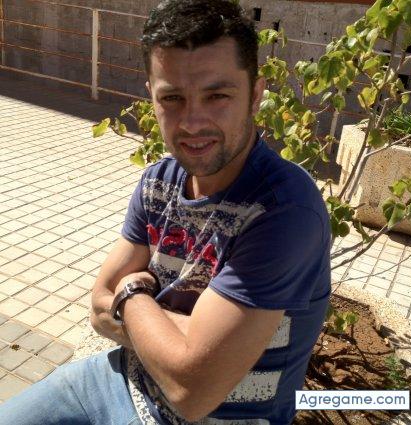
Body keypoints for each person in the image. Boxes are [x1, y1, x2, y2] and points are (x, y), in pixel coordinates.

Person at [0, 1, 330, 424]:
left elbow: (192, 391)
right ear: (152, 97)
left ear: (255, 95)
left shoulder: (284, 211)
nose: (192, 122)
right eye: (172, 98)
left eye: (217, 95)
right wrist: (182, 341)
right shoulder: (159, 181)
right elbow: (99, 309)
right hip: (116, 379)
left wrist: (132, 294)